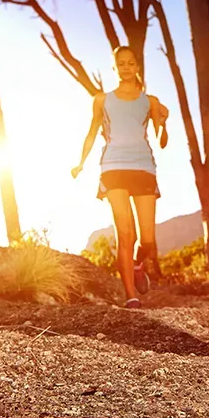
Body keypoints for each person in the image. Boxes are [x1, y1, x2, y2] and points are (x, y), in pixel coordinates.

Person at [72, 46, 169, 309]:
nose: (126, 68)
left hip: (143, 167)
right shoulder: (102, 100)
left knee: (147, 240)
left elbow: (162, 140)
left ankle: (138, 265)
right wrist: (80, 163)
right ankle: (130, 296)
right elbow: (92, 133)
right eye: (121, 64)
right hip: (113, 166)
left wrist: (163, 122)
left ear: (137, 66)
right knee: (125, 233)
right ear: (114, 68)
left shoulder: (150, 101)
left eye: (130, 63)